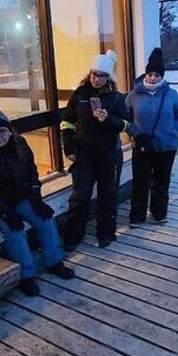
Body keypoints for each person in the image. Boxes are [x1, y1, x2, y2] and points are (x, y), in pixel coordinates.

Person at [0, 108, 75, 297]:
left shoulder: (20, 145)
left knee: (45, 217)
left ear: (10, 132)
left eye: (2, 131)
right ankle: (26, 276)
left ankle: (54, 261)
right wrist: (4, 212)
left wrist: (36, 199)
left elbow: (32, 173)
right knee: (15, 230)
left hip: (19, 198)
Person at [61, 50, 130, 251]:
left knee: (107, 195)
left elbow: (127, 125)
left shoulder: (117, 98)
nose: (96, 79)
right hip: (84, 155)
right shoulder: (79, 94)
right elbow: (67, 122)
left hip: (109, 154)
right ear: (89, 73)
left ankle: (106, 233)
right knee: (80, 196)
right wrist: (69, 146)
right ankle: (73, 235)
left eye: (101, 75)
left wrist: (108, 119)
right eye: (94, 74)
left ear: (108, 77)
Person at [126, 48, 178, 226]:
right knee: (140, 182)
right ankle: (137, 216)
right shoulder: (134, 95)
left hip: (166, 146)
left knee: (162, 182)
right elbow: (125, 118)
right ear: (145, 74)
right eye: (150, 74)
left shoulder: (171, 95)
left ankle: (159, 212)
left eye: (157, 74)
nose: (153, 78)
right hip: (142, 145)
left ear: (162, 76)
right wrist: (133, 132)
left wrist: (173, 130)